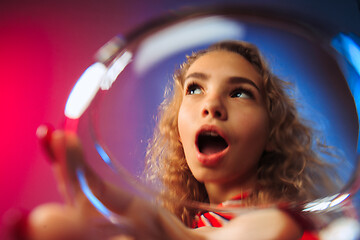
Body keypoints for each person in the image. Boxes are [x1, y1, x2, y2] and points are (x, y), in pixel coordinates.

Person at [16, 41, 340, 239]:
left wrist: (167, 231)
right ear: (177, 129)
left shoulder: (284, 221)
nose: (211, 105)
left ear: (272, 132)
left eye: (240, 92)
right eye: (195, 89)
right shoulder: (187, 224)